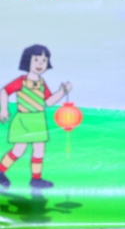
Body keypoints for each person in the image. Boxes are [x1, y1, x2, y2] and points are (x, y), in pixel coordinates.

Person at [0, 44, 72, 189]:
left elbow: (48, 102)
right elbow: (5, 91)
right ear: (28, 61)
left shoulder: (41, 83)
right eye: (36, 60)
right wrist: (4, 110)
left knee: (39, 150)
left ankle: (36, 179)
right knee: (18, 150)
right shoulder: (21, 81)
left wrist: (62, 92)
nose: (40, 64)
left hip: (38, 120)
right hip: (24, 120)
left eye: (44, 61)